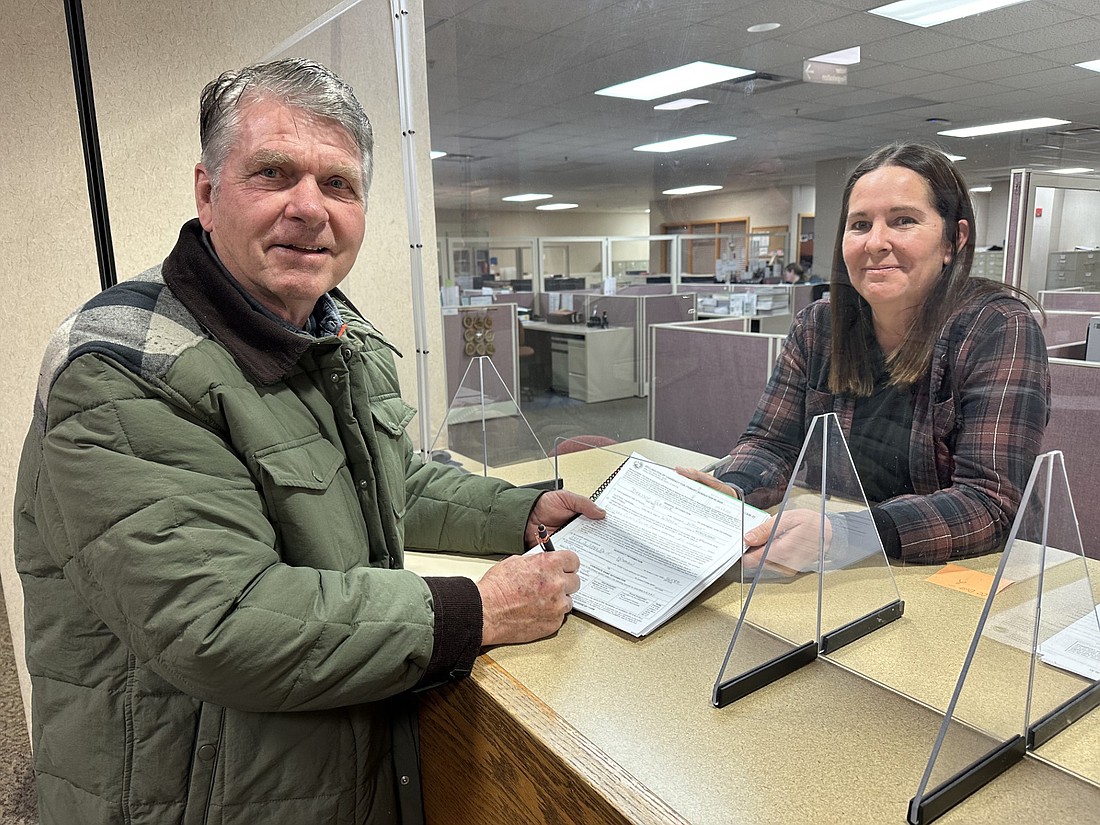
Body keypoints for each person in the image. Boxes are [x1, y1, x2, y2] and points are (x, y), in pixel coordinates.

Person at [13, 58, 603, 825]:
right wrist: (472, 611)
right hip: (190, 796)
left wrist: (520, 514)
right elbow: (221, 620)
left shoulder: (333, 331)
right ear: (207, 192)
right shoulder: (124, 369)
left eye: (338, 184)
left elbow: (387, 479)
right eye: (273, 172)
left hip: (324, 770)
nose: (309, 208)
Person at [681, 142, 1050, 572]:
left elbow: (990, 505)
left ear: (955, 239)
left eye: (903, 221)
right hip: (839, 557)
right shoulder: (820, 327)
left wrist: (846, 535)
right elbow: (771, 444)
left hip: (957, 570)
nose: (876, 242)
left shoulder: (997, 328)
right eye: (859, 225)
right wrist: (731, 492)